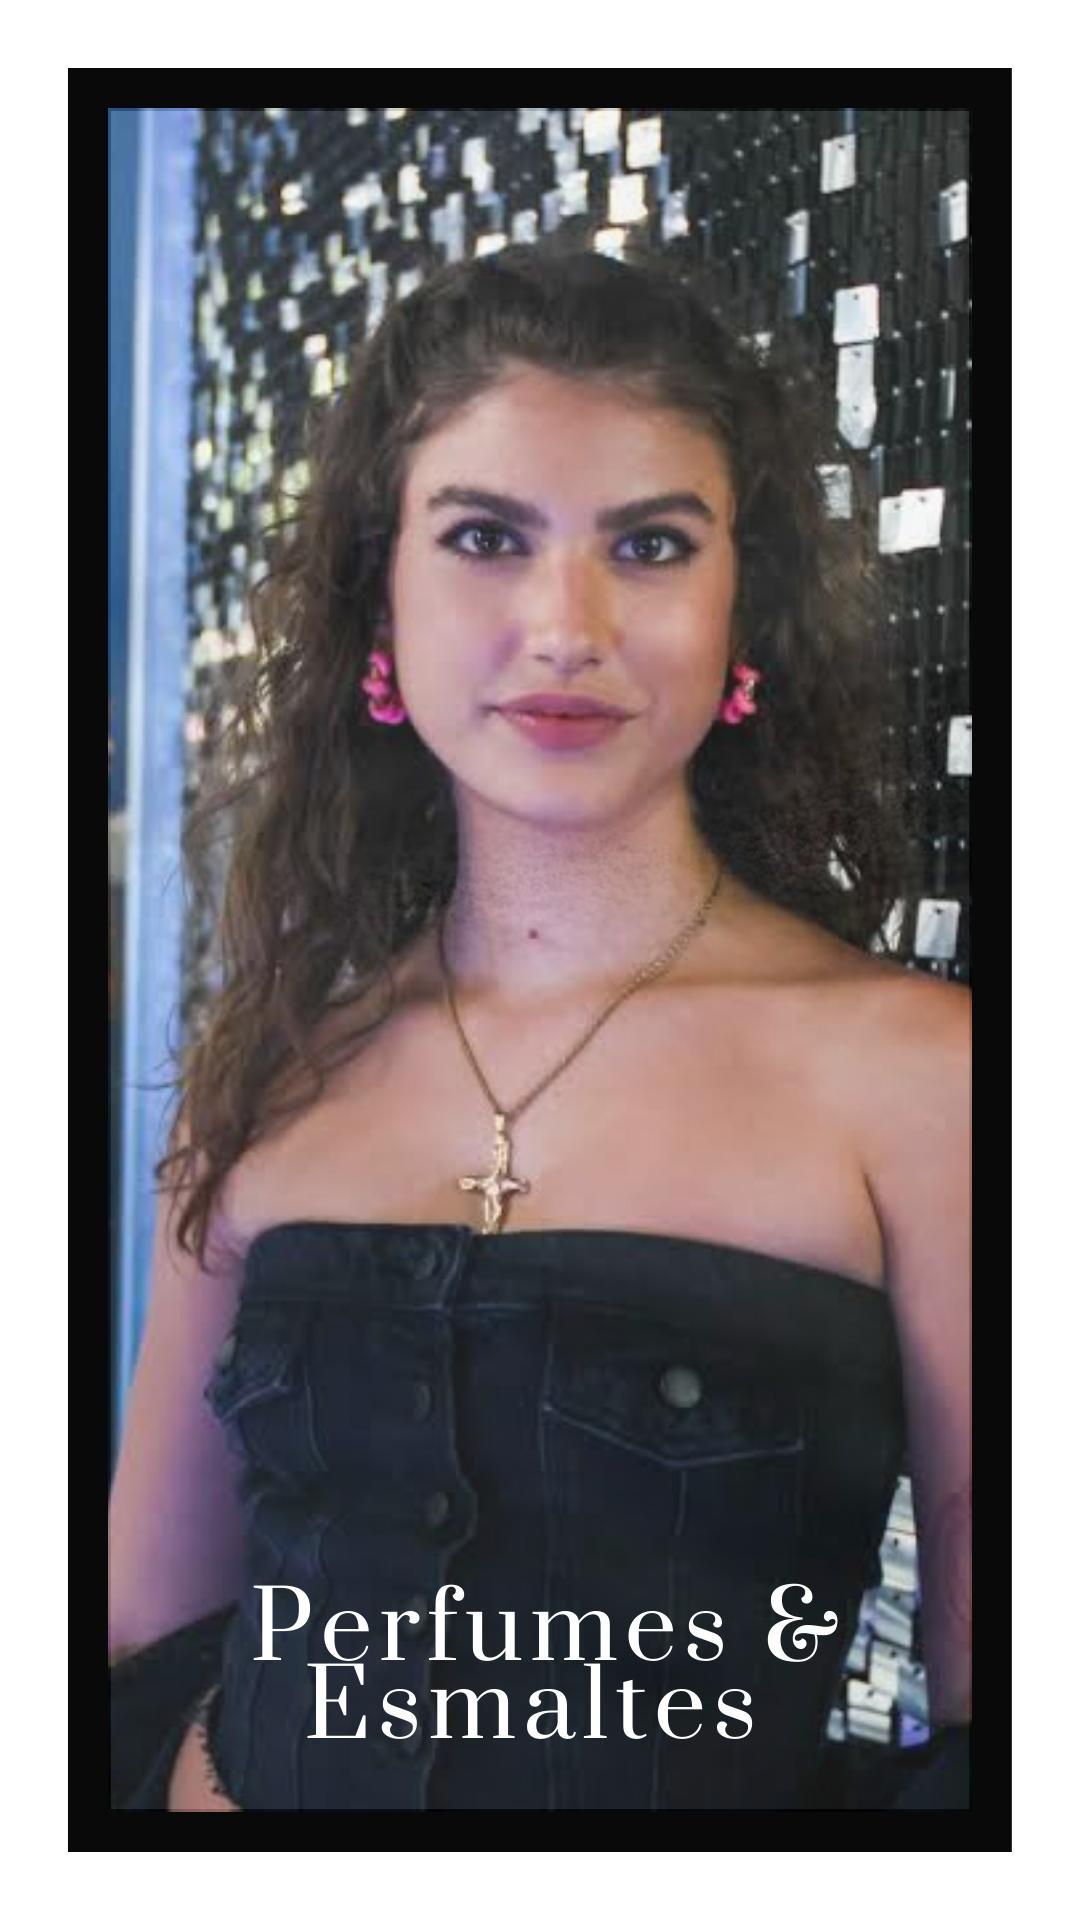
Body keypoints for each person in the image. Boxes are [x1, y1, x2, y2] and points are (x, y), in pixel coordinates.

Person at [108, 233, 971, 1812]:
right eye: (486, 537)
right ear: (379, 600)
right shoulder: (273, 1070)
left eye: (650, 545)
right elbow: (135, 1639)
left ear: (742, 617)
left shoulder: (931, 1082)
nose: (566, 624)